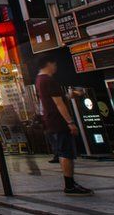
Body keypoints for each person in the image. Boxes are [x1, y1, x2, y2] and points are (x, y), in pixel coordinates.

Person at [35, 55, 93, 195]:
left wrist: (68, 96)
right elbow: (58, 104)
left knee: (64, 152)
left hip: (51, 120)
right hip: (58, 121)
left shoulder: (39, 80)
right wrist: (70, 122)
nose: (55, 67)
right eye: (54, 64)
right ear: (49, 63)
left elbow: (54, 100)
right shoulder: (48, 80)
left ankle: (71, 183)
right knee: (66, 153)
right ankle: (69, 185)